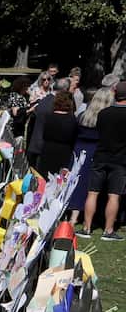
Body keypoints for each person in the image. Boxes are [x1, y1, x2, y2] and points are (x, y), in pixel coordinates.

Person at [81, 81, 126, 240]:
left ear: (115, 93)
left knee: (92, 193)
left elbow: (100, 131)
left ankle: (86, 228)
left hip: (101, 155)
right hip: (120, 159)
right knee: (114, 196)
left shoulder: (103, 113)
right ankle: (108, 230)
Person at [71, 87, 113, 229]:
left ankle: (73, 216)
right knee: (91, 187)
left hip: (79, 151)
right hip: (95, 153)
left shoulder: (83, 115)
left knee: (77, 183)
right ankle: (88, 218)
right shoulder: (106, 120)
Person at [28, 78, 68, 169]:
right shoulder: (54, 104)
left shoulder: (43, 100)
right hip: (44, 148)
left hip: (36, 144)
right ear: (64, 90)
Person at [37, 90, 77, 176]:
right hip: (64, 152)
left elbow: (44, 135)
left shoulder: (49, 117)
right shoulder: (72, 120)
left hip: (47, 151)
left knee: (45, 178)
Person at [7, 77, 32, 144]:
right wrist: (29, 110)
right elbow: (15, 113)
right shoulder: (14, 96)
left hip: (22, 124)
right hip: (15, 126)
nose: (27, 89)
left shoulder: (25, 96)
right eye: (26, 87)